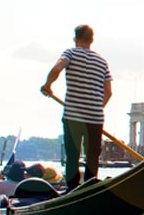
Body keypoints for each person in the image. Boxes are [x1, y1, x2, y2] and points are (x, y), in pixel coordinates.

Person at [41, 24, 114, 190]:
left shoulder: (70, 53)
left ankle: (72, 189)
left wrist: (47, 85)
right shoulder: (102, 61)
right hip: (95, 116)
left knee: (72, 156)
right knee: (92, 157)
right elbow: (109, 92)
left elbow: (57, 68)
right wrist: (96, 107)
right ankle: (90, 188)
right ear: (92, 40)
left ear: (75, 39)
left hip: (73, 115)